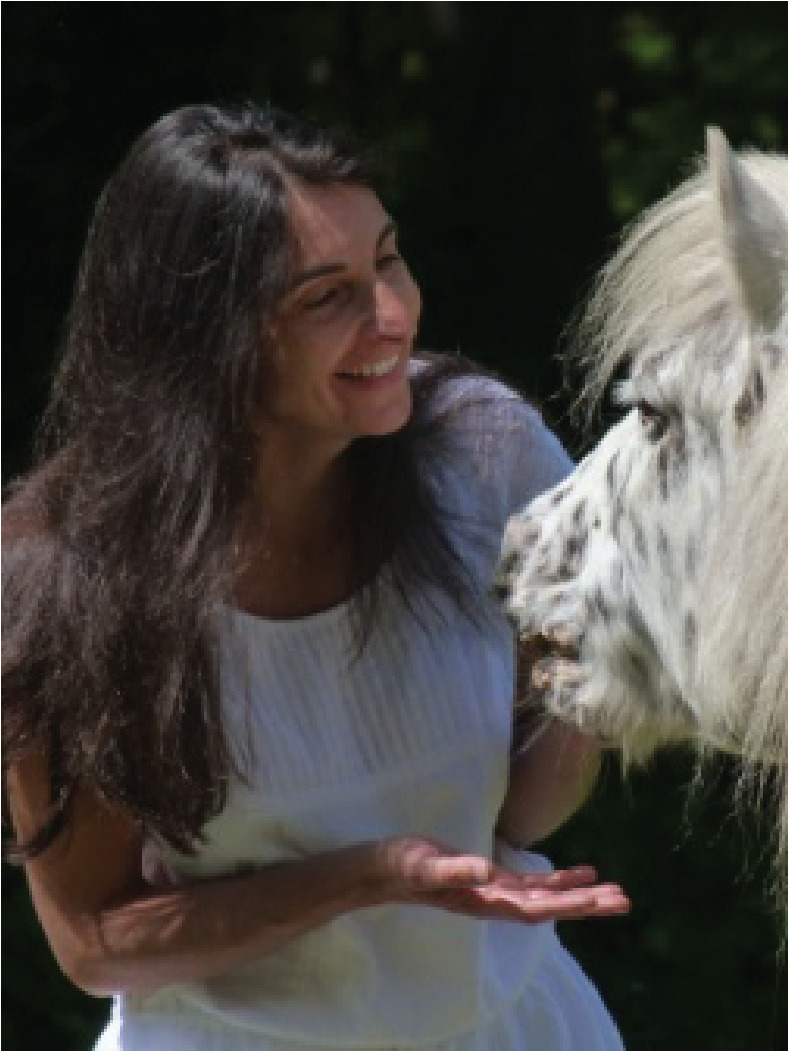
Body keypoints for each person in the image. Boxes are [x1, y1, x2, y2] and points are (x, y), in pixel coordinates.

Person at [2, 104, 629, 1050]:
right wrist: (369, 877)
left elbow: (526, 807)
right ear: (203, 339)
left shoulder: (483, 451)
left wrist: (605, 675)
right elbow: (95, 941)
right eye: (325, 297)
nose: (392, 317)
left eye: (388, 260)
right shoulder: (69, 579)